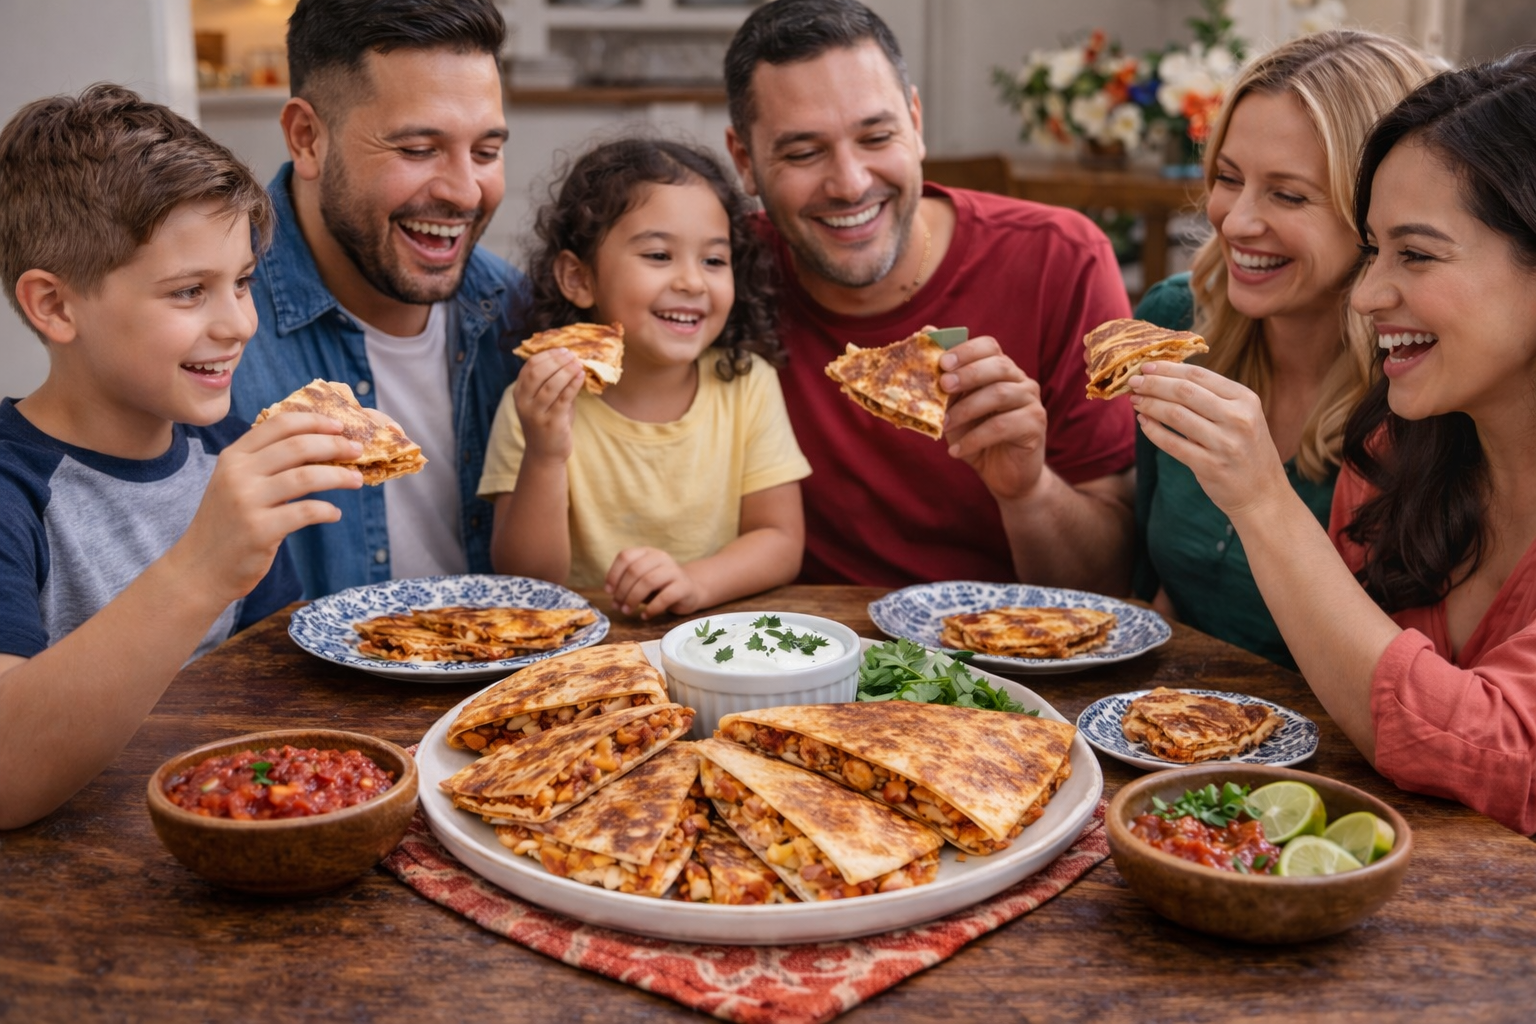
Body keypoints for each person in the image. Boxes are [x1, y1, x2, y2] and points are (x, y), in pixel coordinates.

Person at [1129, 48, 1536, 833]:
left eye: (1414, 254)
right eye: (1376, 249)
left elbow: (1494, 754)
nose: (1370, 293)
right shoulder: (1392, 443)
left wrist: (1262, 502)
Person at [0, 86, 367, 829]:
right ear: (55, 306)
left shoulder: (223, 451)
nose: (237, 324)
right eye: (189, 292)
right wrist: (205, 565)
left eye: (241, 283)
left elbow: (270, 699)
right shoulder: (14, 491)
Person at [722, 0, 1135, 591]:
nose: (851, 183)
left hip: (1002, 660)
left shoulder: (1060, 259)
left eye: (876, 135)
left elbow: (1110, 583)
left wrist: (1028, 490)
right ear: (745, 161)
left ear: (915, 123)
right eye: (804, 152)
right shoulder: (715, 278)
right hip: (794, 656)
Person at [1132, 31, 1439, 669]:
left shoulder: (1430, 385)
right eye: (1227, 177)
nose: (1237, 221)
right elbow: (1147, 592)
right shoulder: (1172, 324)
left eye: (1288, 194)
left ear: (1379, 212)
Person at [229, 0, 522, 598]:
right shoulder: (212, 334)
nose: (465, 191)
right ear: (307, 138)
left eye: (486, 152)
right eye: (417, 150)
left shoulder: (518, 313)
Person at [480, 139, 810, 617]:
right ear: (579, 278)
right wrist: (546, 453)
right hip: (579, 653)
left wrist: (694, 582)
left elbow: (780, 541)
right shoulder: (538, 401)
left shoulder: (746, 383)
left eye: (714, 260)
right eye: (659, 255)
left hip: (712, 641)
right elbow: (526, 581)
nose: (693, 282)